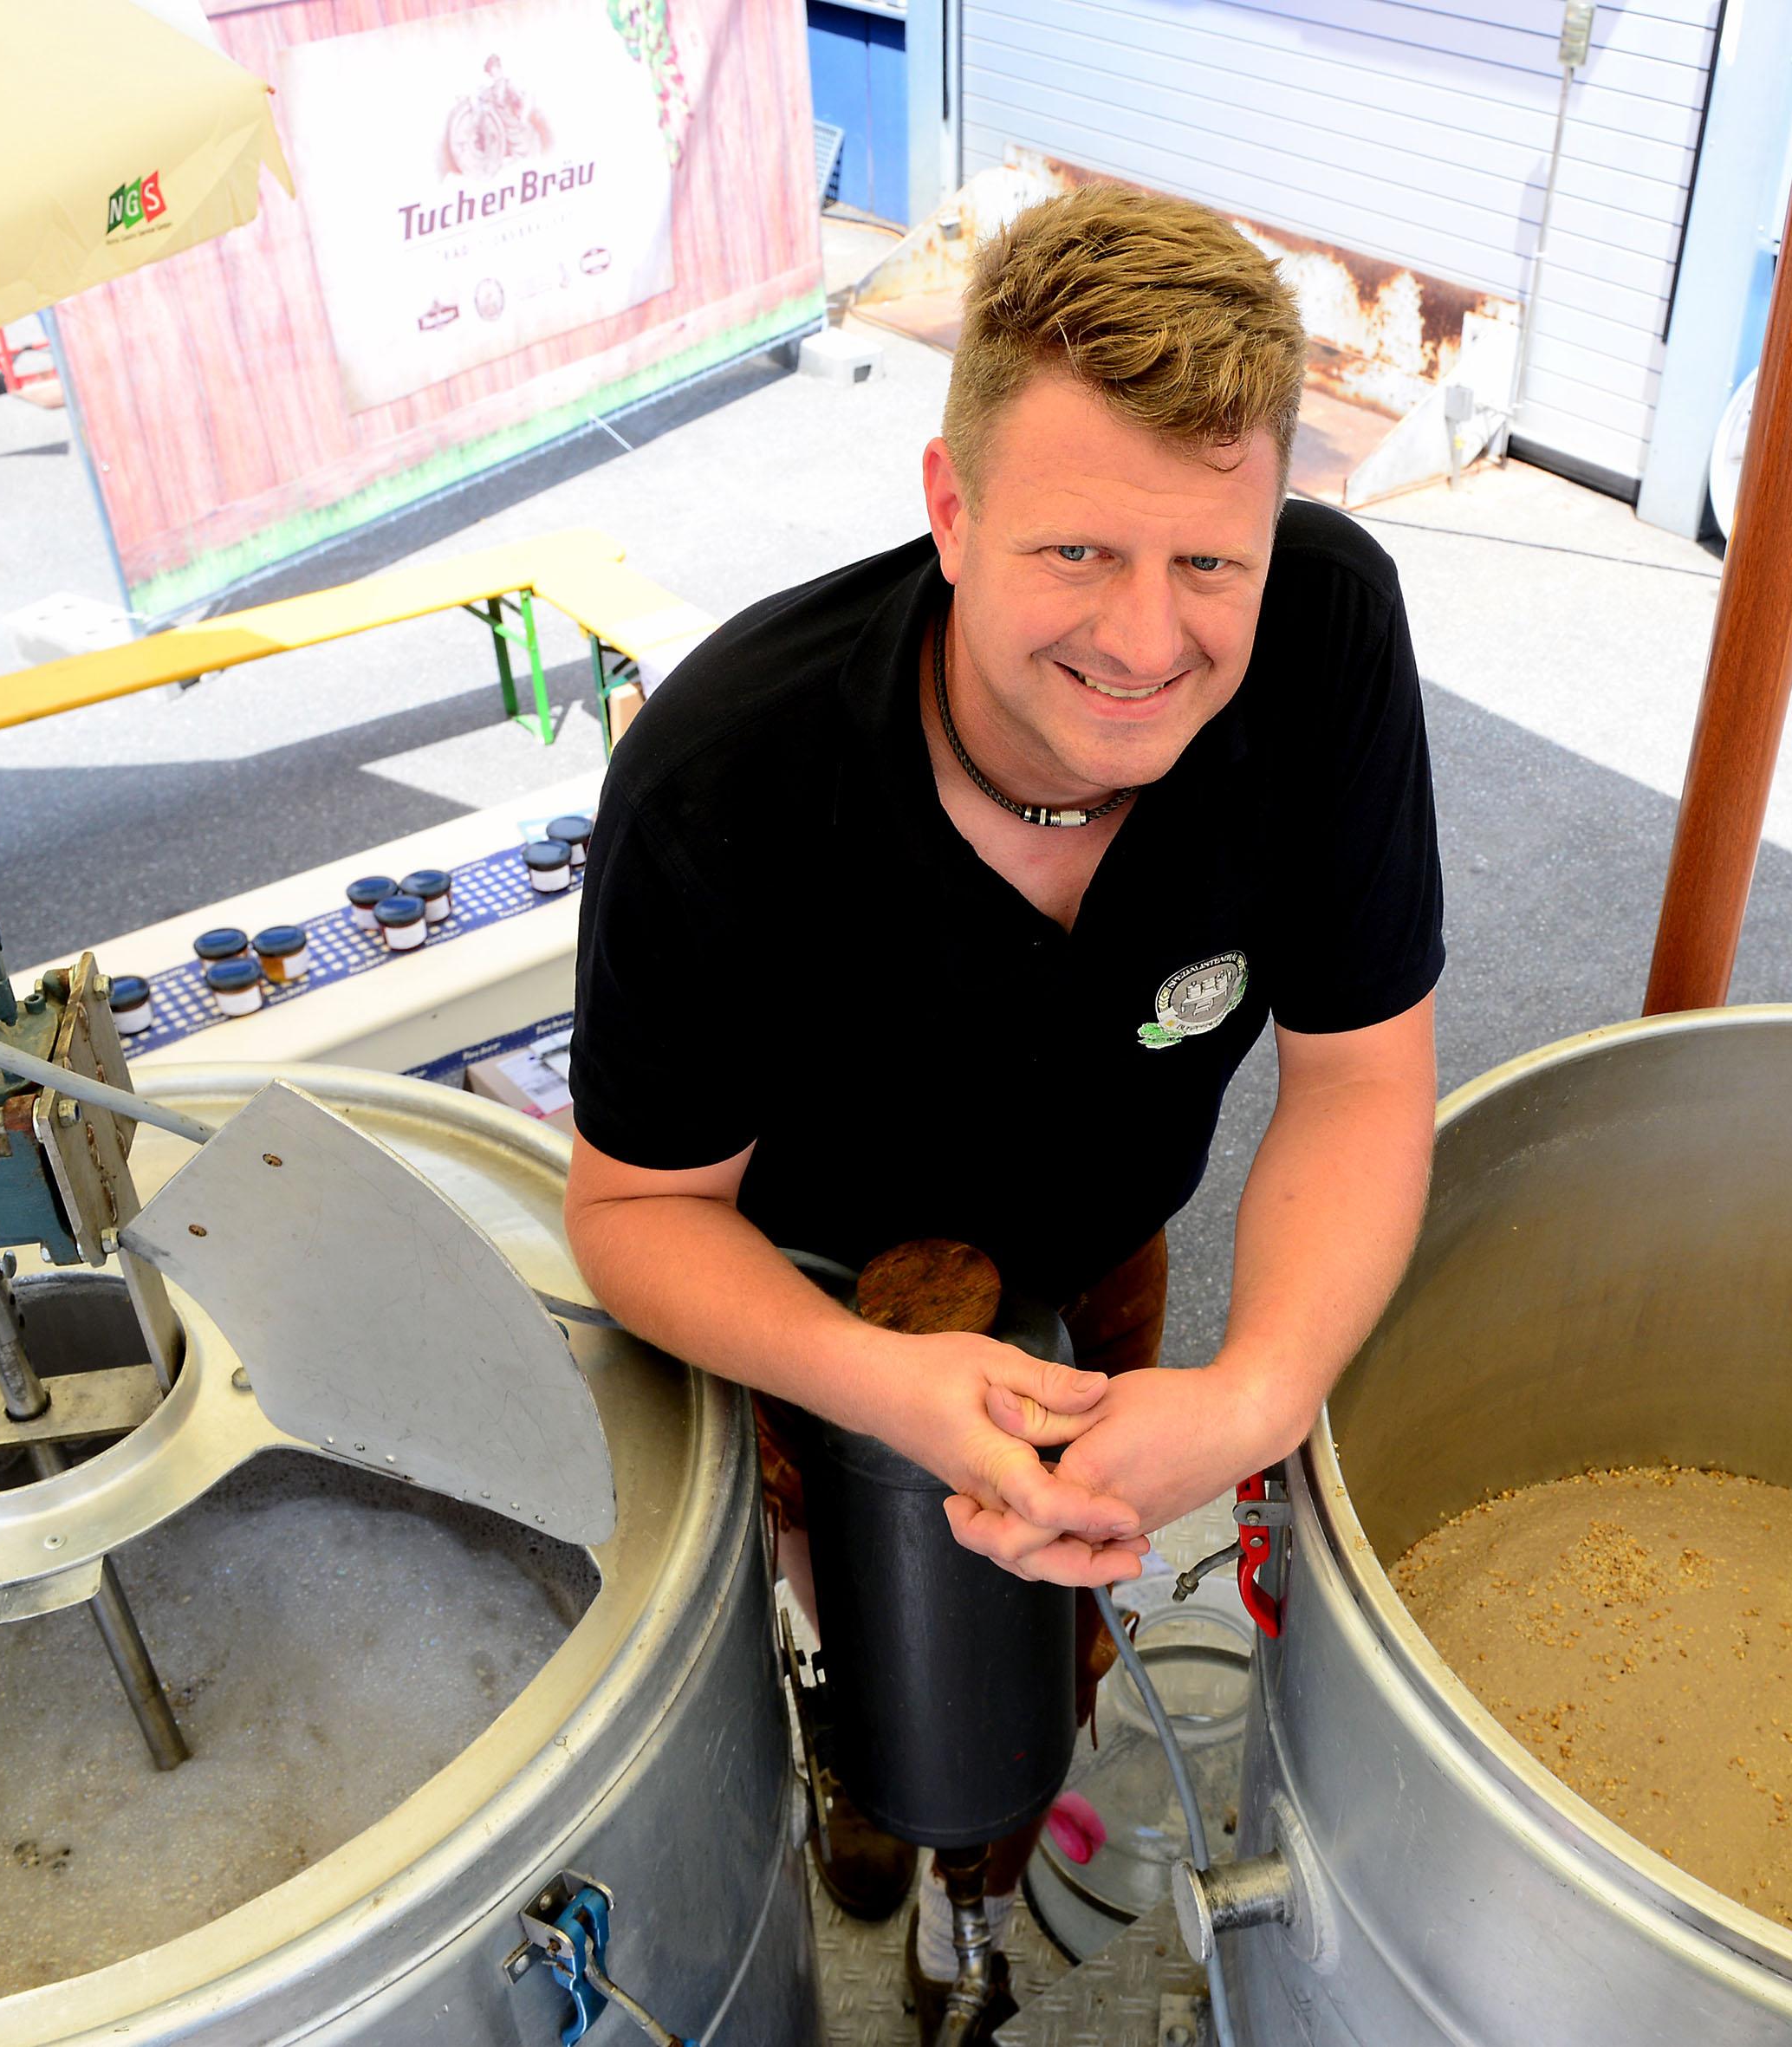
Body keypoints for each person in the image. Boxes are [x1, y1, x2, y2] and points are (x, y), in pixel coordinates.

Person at [562, 186, 1442, 2022]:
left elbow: (1361, 1074)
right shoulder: (727, 781)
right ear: (949, 510)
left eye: (1209, 564)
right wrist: (868, 1382)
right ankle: (865, 1778)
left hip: (1103, 1237)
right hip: (802, 1281)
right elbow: (636, 1210)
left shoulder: (1331, 634)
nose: (1145, 639)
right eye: (1076, 552)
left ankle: (995, 1836)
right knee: (848, 1605)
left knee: (1048, 1626)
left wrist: (1253, 1394)